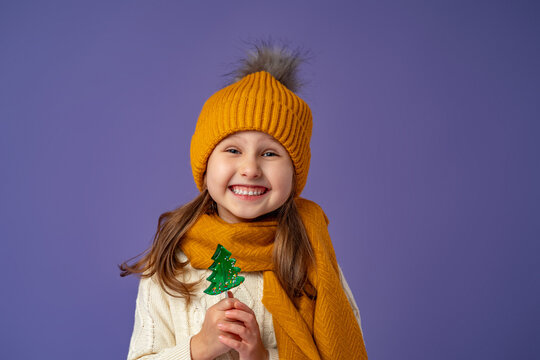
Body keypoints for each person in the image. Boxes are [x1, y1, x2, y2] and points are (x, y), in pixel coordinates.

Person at [120, 43, 368, 360]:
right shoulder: (171, 262)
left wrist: (261, 357)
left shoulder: (311, 256)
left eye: (269, 153)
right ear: (205, 164)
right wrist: (199, 348)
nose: (250, 169)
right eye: (233, 150)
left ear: (294, 173)